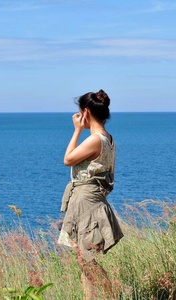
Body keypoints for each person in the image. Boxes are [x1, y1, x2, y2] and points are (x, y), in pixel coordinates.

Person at [58, 89, 124, 299]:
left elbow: (68, 159)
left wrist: (77, 131)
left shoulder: (95, 139)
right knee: (84, 260)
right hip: (93, 199)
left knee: (85, 260)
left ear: (86, 112)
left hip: (85, 202)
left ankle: (113, 296)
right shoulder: (109, 139)